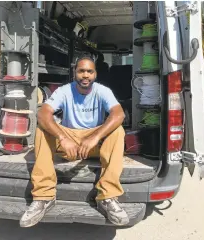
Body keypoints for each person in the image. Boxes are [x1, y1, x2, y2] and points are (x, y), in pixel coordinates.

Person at [19, 56, 129, 227]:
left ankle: (107, 197)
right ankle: (43, 197)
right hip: (68, 144)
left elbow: (118, 114)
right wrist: (63, 138)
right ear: (74, 73)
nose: (85, 75)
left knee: (117, 131)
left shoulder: (103, 91)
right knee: (42, 128)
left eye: (89, 71)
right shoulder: (64, 91)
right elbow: (43, 114)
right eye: (81, 71)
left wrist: (95, 137)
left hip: (92, 145)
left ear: (95, 74)